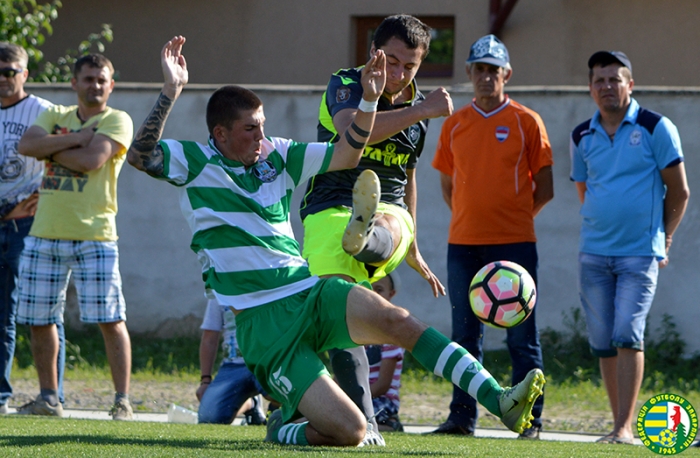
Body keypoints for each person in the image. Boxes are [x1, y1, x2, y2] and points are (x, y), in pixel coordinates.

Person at [128, 35, 544, 448]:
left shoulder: (277, 155)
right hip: (263, 325)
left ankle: (500, 400)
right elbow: (140, 156)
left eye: (263, 126)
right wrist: (170, 91)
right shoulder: (196, 162)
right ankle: (281, 427)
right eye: (250, 129)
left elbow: (346, 154)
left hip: (308, 292)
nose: (261, 137)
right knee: (351, 431)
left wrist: (369, 100)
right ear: (220, 134)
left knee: (397, 320)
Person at [300, 14, 453, 433]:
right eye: (394, 62)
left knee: (389, 218)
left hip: (390, 210)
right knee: (339, 322)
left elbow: (410, 175)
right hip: (329, 206)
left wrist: (416, 247)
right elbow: (355, 131)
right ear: (375, 53)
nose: (400, 75)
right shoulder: (345, 83)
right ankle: (356, 424)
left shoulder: (416, 107)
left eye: (411, 67)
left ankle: (367, 236)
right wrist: (421, 109)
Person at [431, 34, 553, 439]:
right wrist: (474, 218)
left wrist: (514, 219)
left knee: (521, 335)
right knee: (465, 335)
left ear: (507, 75)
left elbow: (546, 186)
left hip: (515, 244)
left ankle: (530, 421)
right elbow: (448, 187)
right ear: (469, 73)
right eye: (479, 69)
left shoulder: (526, 120)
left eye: (493, 70)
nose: (486, 77)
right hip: (463, 244)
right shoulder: (454, 123)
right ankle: (462, 419)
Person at [570, 50, 689, 444]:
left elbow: (680, 190)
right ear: (590, 88)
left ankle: (625, 428)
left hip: (640, 253)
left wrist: (664, 237)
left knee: (627, 333)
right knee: (603, 341)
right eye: (599, 80)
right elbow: (585, 190)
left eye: (614, 79)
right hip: (594, 254)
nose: (607, 87)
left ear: (630, 85)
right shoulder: (580, 135)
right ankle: (614, 424)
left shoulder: (657, 127)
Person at [15, 53, 135, 420]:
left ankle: (121, 401)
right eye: (88, 79)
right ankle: (48, 398)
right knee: (39, 319)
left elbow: (91, 161)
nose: (95, 86)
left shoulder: (117, 119)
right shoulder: (57, 116)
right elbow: (26, 146)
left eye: (102, 79)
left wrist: (56, 148)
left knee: (110, 319)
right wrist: (79, 139)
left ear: (111, 85)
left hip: (95, 234)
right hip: (45, 231)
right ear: (74, 83)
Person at [0, 42, 66, 415]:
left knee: (44, 311)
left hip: (28, 222)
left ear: (24, 74)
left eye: (10, 71)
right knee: (0, 316)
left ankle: (52, 395)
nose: (3, 79)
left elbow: (64, 158)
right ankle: (0, 396)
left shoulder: (43, 111)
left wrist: (44, 195)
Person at [196, 299, 267, 425]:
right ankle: (250, 403)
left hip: (265, 362)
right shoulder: (218, 288)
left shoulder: (274, 282)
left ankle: (279, 413)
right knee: (209, 418)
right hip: (232, 365)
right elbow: (209, 337)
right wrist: (205, 380)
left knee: (282, 395)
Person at [365, 273, 404, 432]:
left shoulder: (391, 334)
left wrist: (353, 400)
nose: (373, 295)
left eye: (379, 290)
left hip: (381, 399)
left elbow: (383, 385)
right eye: (368, 289)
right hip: (362, 396)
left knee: (345, 416)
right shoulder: (358, 329)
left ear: (391, 294)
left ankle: (389, 425)